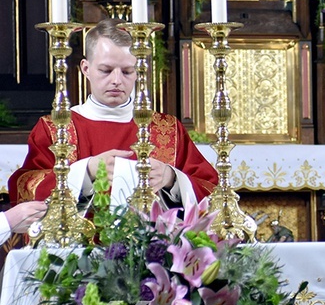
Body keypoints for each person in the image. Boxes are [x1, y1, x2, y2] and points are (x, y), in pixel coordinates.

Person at [9, 18, 218, 209]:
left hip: (151, 248)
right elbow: (26, 188)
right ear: (85, 68)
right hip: (78, 248)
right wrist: (86, 171)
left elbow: (212, 191)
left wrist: (171, 179)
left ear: (139, 70)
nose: (117, 80)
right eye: (106, 70)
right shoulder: (55, 129)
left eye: (127, 71)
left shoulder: (167, 129)